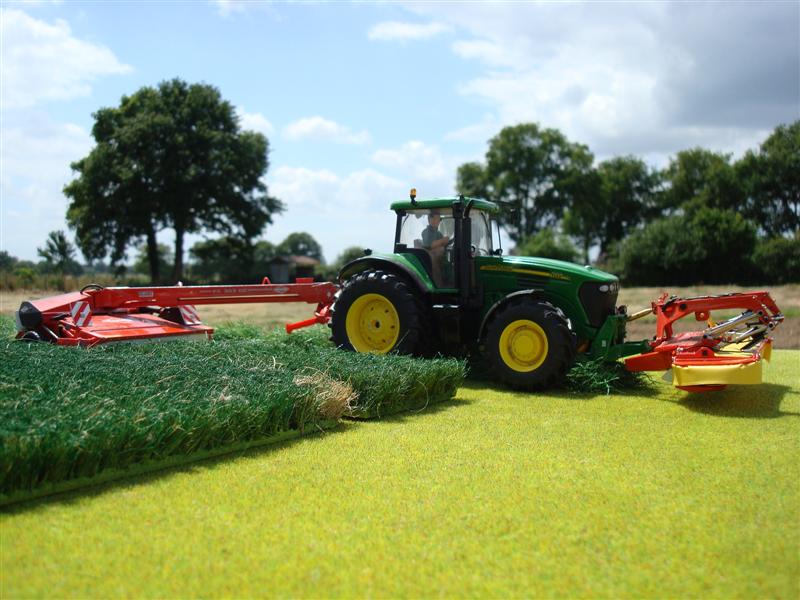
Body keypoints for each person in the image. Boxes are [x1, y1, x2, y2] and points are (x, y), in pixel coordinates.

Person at [421, 210, 451, 286]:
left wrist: (446, 242)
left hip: (440, 257)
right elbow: (429, 245)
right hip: (430, 258)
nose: (436, 221)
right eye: (434, 218)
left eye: (438, 219)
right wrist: (443, 240)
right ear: (429, 220)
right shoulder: (425, 232)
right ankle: (438, 285)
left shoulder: (439, 233)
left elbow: (442, 245)